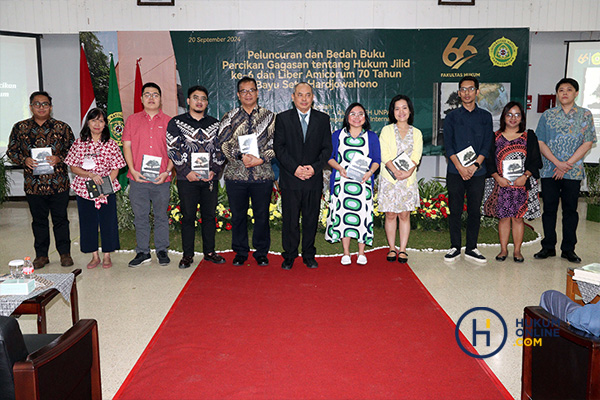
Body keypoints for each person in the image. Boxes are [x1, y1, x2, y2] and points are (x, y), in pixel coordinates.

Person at [7, 91, 75, 269]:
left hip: (58, 183)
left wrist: (59, 158)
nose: (41, 107)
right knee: (39, 221)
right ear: (31, 107)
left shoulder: (62, 127)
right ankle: (42, 255)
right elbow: (11, 151)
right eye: (37, 104)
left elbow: (74, 151)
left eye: (45, 104)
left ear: (51, 107)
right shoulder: (20, 128)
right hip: (34, 186)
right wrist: (24, 160)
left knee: (61, 219)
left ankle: (65, 253)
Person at [534, 78, 597, 264]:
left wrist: (566, 164)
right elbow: (540, 141)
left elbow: (588, 142)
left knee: (570, 211)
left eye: (569, 90)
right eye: (561, 90)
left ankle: (569, 249)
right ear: (557, 94)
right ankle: (548, 247)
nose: (565, 93)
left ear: (576, 93)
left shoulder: (585, 115)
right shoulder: (548, 115)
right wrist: (557, 163)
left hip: (573, 172)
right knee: (549, 210)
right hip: (549, 170)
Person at [218, 77, 276, 267]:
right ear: (238, 95)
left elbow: (277, 143)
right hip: (236, 175)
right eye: (244, 91)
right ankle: (241, 251)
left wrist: (261, 159)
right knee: (238, 215)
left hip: (262, 175)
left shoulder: (270, 116)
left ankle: (261, 252)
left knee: (262, 215)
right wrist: (240, 155)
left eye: (251, 90)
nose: (248, 94)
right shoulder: (229, 116)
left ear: (257, 93)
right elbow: (223, 143)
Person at [274, 82, 332, 270]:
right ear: (293, 97)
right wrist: (295, 169)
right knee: (290, 220)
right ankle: (289, 255)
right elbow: (279, 148)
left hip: (313, 179)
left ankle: (308, 254)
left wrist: (314, 168)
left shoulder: (323, 119)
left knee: (310, 219)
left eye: (308, 95)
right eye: (300, 95)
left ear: (313, 97)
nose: (304, 98)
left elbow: (327, 149)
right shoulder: (283, 119)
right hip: (291, 178)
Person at [167, 85, 226, 269]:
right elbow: (172, 149)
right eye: (195, 98)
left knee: (209, 216)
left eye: (203, 98)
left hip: (209, 178)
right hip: (187, 179)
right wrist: (186, 172)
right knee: (188, 216)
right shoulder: (175, 123)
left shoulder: (216, 124)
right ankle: (187, 255)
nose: (199, 101)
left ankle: (209, 252)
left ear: (207, 103)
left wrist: (214, 170)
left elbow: (221, 149)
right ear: (188, 101)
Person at [64, 108, 126, 269]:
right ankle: (94, 256)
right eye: (93, 120)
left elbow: (116, 168)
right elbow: (73, 167)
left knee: (108, 222)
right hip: (84, 190)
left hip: (106, 189)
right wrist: (90, 175)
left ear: (105, 124)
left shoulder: (111, 144)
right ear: (88, 123)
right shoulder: (79, 143)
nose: (97, 124)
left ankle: (107, 256)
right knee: (88, 223)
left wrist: (104, 185)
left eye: (100, 121)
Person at [482, 102, 542, 263]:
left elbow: (536, 160)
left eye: (517, 115)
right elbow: (488, 162)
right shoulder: (494, 137)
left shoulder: (529, 136)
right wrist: (497, 177)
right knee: (503, 218)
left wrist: (526, 176)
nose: (513, 118)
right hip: (501, 185)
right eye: (509, 114)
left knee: (517, 218)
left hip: (522, 186)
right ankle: (503, 250)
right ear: (503, 117)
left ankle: (517, 251)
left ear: (522, 117)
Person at [122, 82, 174, 267]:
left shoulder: (169, 122)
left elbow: (173, 150)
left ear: (160, 99)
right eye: (147, 94)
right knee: (141, 216)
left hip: (162, 179)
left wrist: (167, 171)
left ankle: (162, 250)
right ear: (142, 98)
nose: (151, 98)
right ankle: (143, 252)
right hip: (138, 179)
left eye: (155, 94)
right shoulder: (132, 120)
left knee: (161, 216)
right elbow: (126, 146)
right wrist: (133, 170)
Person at [443, 76, 493, 263]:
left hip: (477, 172)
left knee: (474, 210)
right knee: (455, 210)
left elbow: (487, 145)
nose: (466, 93)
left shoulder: (485, 117)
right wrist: (460, 167)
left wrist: (474, 166)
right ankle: (455, 246)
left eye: (470, 89)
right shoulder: (451, 117)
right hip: (456, 172)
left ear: (477, 92)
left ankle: (472, 247)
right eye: (463, 89)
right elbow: (448, 146)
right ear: (459, 93)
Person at [326, 103, 381, 265]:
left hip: (363, 183)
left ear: (365, 117)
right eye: (353, 114)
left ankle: (361, 252)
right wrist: (339, 168)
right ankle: (346, 253)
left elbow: (377, 160)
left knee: (362, 216)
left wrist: (370, 173)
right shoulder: (337, 135)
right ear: (347, 117)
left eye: (360, 114)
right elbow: (329, 157)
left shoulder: (371, 137)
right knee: (344, 216)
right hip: (342, 183)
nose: (357, 117)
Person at [378, 95, 422, 264]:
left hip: (407, 179)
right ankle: (391, 248)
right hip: (390, 178)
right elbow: (384, 153)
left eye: (404, 108)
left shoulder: (416, 133)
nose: (401, 112)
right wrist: (395, 170)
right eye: (397, 108)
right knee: (390, 214)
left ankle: (402, 249)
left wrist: (409, 172)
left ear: (410, 110)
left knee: (404, 215)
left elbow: (416, 154)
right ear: (392, 112)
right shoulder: (387, 130)